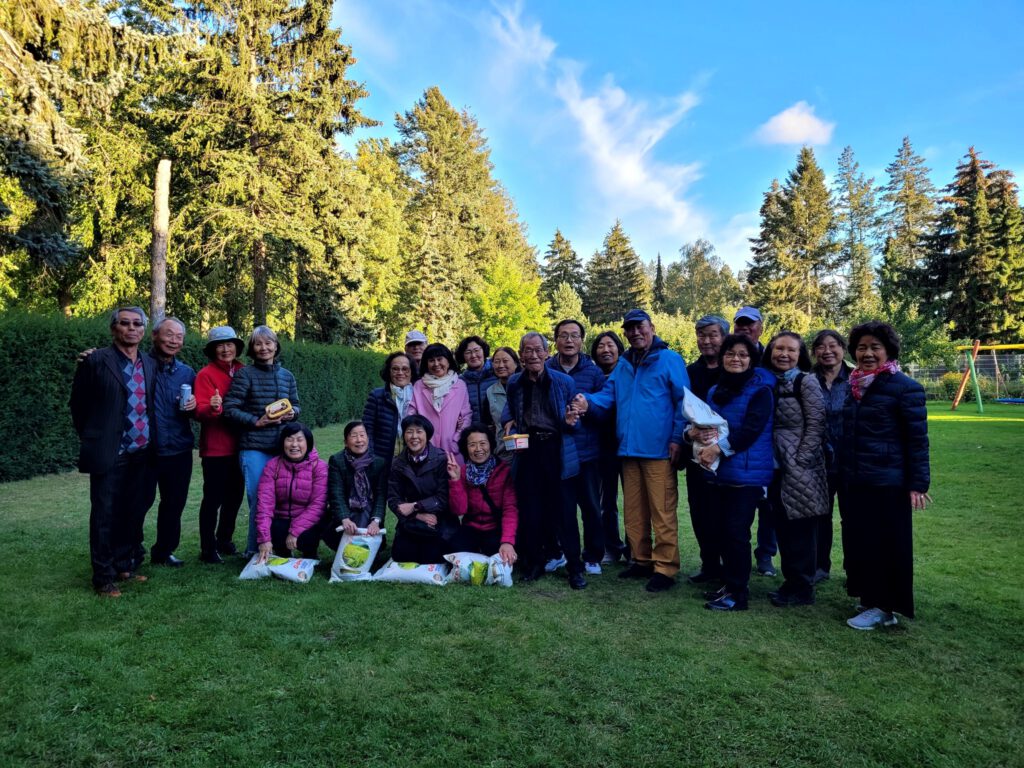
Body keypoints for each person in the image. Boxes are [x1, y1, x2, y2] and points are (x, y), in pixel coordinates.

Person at [573, 310, 689, 593]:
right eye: (630, 329)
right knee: (634, 511)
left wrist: (677, 439)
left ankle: (665, 567)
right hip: (628, 449)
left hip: (659, 450)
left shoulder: (669, 360)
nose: (635, 332)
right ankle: (640, 560)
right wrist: (586, 401)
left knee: (662, 511)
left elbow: (684, 402)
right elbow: (607, 396)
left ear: (652, 327)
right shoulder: (624, 365)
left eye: (640, 327)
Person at [840, 321, 931, 630]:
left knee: (885, 545)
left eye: (874, 348)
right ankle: (870, 598)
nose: (867, 353)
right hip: (856, 480)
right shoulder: (855, 385)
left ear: (888, 351)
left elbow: (917, 440)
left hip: (887, 482)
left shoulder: (906, 388)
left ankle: (885, 608)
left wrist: (918, 483)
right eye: (862, 347)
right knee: (860, 542)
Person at [70, 307, 157, 596]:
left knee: (131, 512)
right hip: (110, 451)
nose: (131, 329)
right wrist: (95, 436)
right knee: (105, 515)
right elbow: (78, 406)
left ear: (143, 330)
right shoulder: (96, 361)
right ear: (113, 329)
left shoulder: (148, 362)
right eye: (124, 324)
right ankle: (103, 576)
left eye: (137, 324)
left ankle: (123, 565)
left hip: (141, 450)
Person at [691, 334, 774, 611]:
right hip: (719, 474)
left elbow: (751, 431)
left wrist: (717, 450)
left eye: (742, 354)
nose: (735, 359)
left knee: (736, 533)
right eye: (730, 353)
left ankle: (738, 594)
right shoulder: (717, 390)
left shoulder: (761, 391)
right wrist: (692, 432)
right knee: (721, 531)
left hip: (746, 475)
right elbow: (705, 423)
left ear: (751, 360)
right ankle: (730, 583)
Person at [503, 332, 586, 589]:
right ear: (521, 355)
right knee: (530, 510)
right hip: (527, 450)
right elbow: (511, 411)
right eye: (527, 350)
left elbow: (572, 418)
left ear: (547, 353)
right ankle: (534, 562)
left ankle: (575, 568)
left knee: (565, 512)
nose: (533, 355)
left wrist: (572, 422)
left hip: (555, 448)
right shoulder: (515, 382)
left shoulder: (563, 381)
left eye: (538, 350)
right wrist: (508, 424)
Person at [762, 331, 830, 607]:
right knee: (784, 527)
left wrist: (801, 458)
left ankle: (803, 588)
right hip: (776, 466)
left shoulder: (806, 381)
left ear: (800, 355)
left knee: (802, 529)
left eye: (791, 350)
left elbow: (816, 424)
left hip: (800, 468)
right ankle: (791, 583)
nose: (784, 354)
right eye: (779, 349)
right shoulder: (768, 381)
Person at [223, 326, 300, 557]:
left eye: (268, 343)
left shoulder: (287, 376)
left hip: (282, 448)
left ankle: (277, 548)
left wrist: (293, 413)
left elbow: (296, 404)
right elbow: (229, 409)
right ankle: (254, 551)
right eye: (258, 344)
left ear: (276, 346)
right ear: (252, 348)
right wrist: (256, 421)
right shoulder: (245, 375)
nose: (264, 348)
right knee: (259, 500)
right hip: (254, 448)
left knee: (282, 500)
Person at [547, 319, 605, 575]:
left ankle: (593, 555)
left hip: (586, 453)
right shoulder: (546, 369)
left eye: (574, 335)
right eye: (563, 336)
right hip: (557, 452)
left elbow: (605, 409)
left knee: (591, 506)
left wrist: (588, 407)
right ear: (556, 340)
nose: (569, 340)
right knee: (562, 507)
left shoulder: (593, 373)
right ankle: (562, 551)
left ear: (582, 340)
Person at [144, 317, 197, 568]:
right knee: (137, 504)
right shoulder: (139, 365)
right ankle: (130, 553)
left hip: (178, 449)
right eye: (169, 335)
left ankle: (164, 552)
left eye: (179, 337)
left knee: (173, 505)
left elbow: (196, 411)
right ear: (154, 335)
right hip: (145, 449)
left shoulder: (187, 373)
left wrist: (194, 406)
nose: (174, 340)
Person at [193, 325, 246, 564]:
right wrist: (213, 408)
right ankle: (207, 548)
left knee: (234, 498)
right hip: (216, 448)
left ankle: (225, 540)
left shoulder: (243, 370)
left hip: (242, 446)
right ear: (213, 350)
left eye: (229, 344)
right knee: (213, 499)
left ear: (236, 347)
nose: (225, 350)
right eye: (220, 346)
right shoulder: (206, 374)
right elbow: (199, 411)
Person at [684, 315, 729, 585]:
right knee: (699, 511)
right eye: (701, 335)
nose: (707, 340)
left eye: (713, 334)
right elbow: (681, 410)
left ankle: (729, 566)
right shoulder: (691, 372)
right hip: (696, 452)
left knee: (725, 514)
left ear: (724, 336)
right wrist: (689, 434)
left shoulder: (734, 368)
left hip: (726, 453)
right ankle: (709, 564)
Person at [734, 304, 777, 577]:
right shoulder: (733, 354)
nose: (745, 328)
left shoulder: (770, 357)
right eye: (740, 324)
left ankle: (765, 555)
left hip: (769, 441)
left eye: (750, 323)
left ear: (761, 327)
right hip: (739, 443)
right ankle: (738, 559)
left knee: (769, 506)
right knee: (740, 507)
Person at [811, 329, 853, 582]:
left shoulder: (857, 378)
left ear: (843, 349)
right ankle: (819, 567)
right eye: (821, 347)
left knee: (852, 518)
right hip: (818, 462)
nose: (827, 351)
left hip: (849, 460)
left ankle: (853, 568)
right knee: (819, 518)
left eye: (833, 345)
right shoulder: (807, 380)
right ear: (814, 352)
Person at [387, 415, 457, 564]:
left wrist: (415, 506)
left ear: (427, 435)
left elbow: (443, 498)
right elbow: (394, 499)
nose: (414, 437)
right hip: (413, 520)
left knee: (432, 558)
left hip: (439, 518)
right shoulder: (398, 463)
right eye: (409, 432)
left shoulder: (440, 459)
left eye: (419, 432)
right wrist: (417, 515)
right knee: (401, 556)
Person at [445, 424, 518, 565]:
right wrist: (455, 480)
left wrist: (507, 541)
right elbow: (459, 510)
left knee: (500, 552)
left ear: (490, 445)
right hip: (471, 527)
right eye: (472, 445)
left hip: (495, 528)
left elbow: (510, 510)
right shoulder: (463, 471)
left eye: (482, 443)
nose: (478, 449)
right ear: (466, 448)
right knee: (453, 550)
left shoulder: (504, 471)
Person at [255, 423, 327, 562]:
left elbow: (318, 505)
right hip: (281, 519)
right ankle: (282, 551)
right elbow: (265, 504)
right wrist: (264, 538)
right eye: (289, 439)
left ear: (308, 443)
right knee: (277, 533)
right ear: (283, 442)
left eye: (300, 440)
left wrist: (294, 532)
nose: (294, 444)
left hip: (307, 521)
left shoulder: (319, 467)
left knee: (308, 535)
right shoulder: (272, 465)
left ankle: (310, 552)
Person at [590, 331, 628, 564]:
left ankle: (636, 550)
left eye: (610, 345)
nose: (606, 349)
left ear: (619, 348)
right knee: (606, 502)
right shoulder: (594, 376)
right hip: (602, 446)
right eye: (601, 345)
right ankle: (611, 546)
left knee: (634, 502)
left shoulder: (630, 371)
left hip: (629, 444)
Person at [326, 421, 387, 554]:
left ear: (368, 439)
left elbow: (381, 495)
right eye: (354, 436)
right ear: (346, 442)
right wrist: (344, 518)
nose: (359, 440)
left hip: (368, 510)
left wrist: (376, 521)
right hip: (348, 509)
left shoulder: (378, 462)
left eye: (362, 435)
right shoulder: (337, 461)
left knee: (370, 551)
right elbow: (336, 493)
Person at [407, 343, 472, 458]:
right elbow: (411, 413)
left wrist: (456, 440)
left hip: (452, 449)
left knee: (453, 475)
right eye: (431, 360)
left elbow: (466, 415)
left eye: (440, 359)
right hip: (425, 447)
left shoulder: (460, 385)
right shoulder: (419, 385)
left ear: (448, 361)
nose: (436, 364)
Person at [362, 351, 415, 473]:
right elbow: (367, 429)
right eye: (395, 369)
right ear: (389, 372)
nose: (400, 373)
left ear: (411, 372)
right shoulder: (377, 396)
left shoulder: (418, 395)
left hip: (411, 459)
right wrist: (371, 457)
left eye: (405, 369)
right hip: (383, 460)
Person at [486, 346, 521, 463]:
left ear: (516, 363)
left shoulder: (527, 385)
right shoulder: (490, 391)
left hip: (527, 449)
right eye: (496, 362)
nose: (500, 365)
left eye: (505, 361)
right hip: (503, 452)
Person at [457, 336, 497, 428]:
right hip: (472, 434)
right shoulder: (460, 382)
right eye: (468, 352)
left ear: (483, 351)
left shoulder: (497, 374)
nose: (473, 355)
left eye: (476, 350)